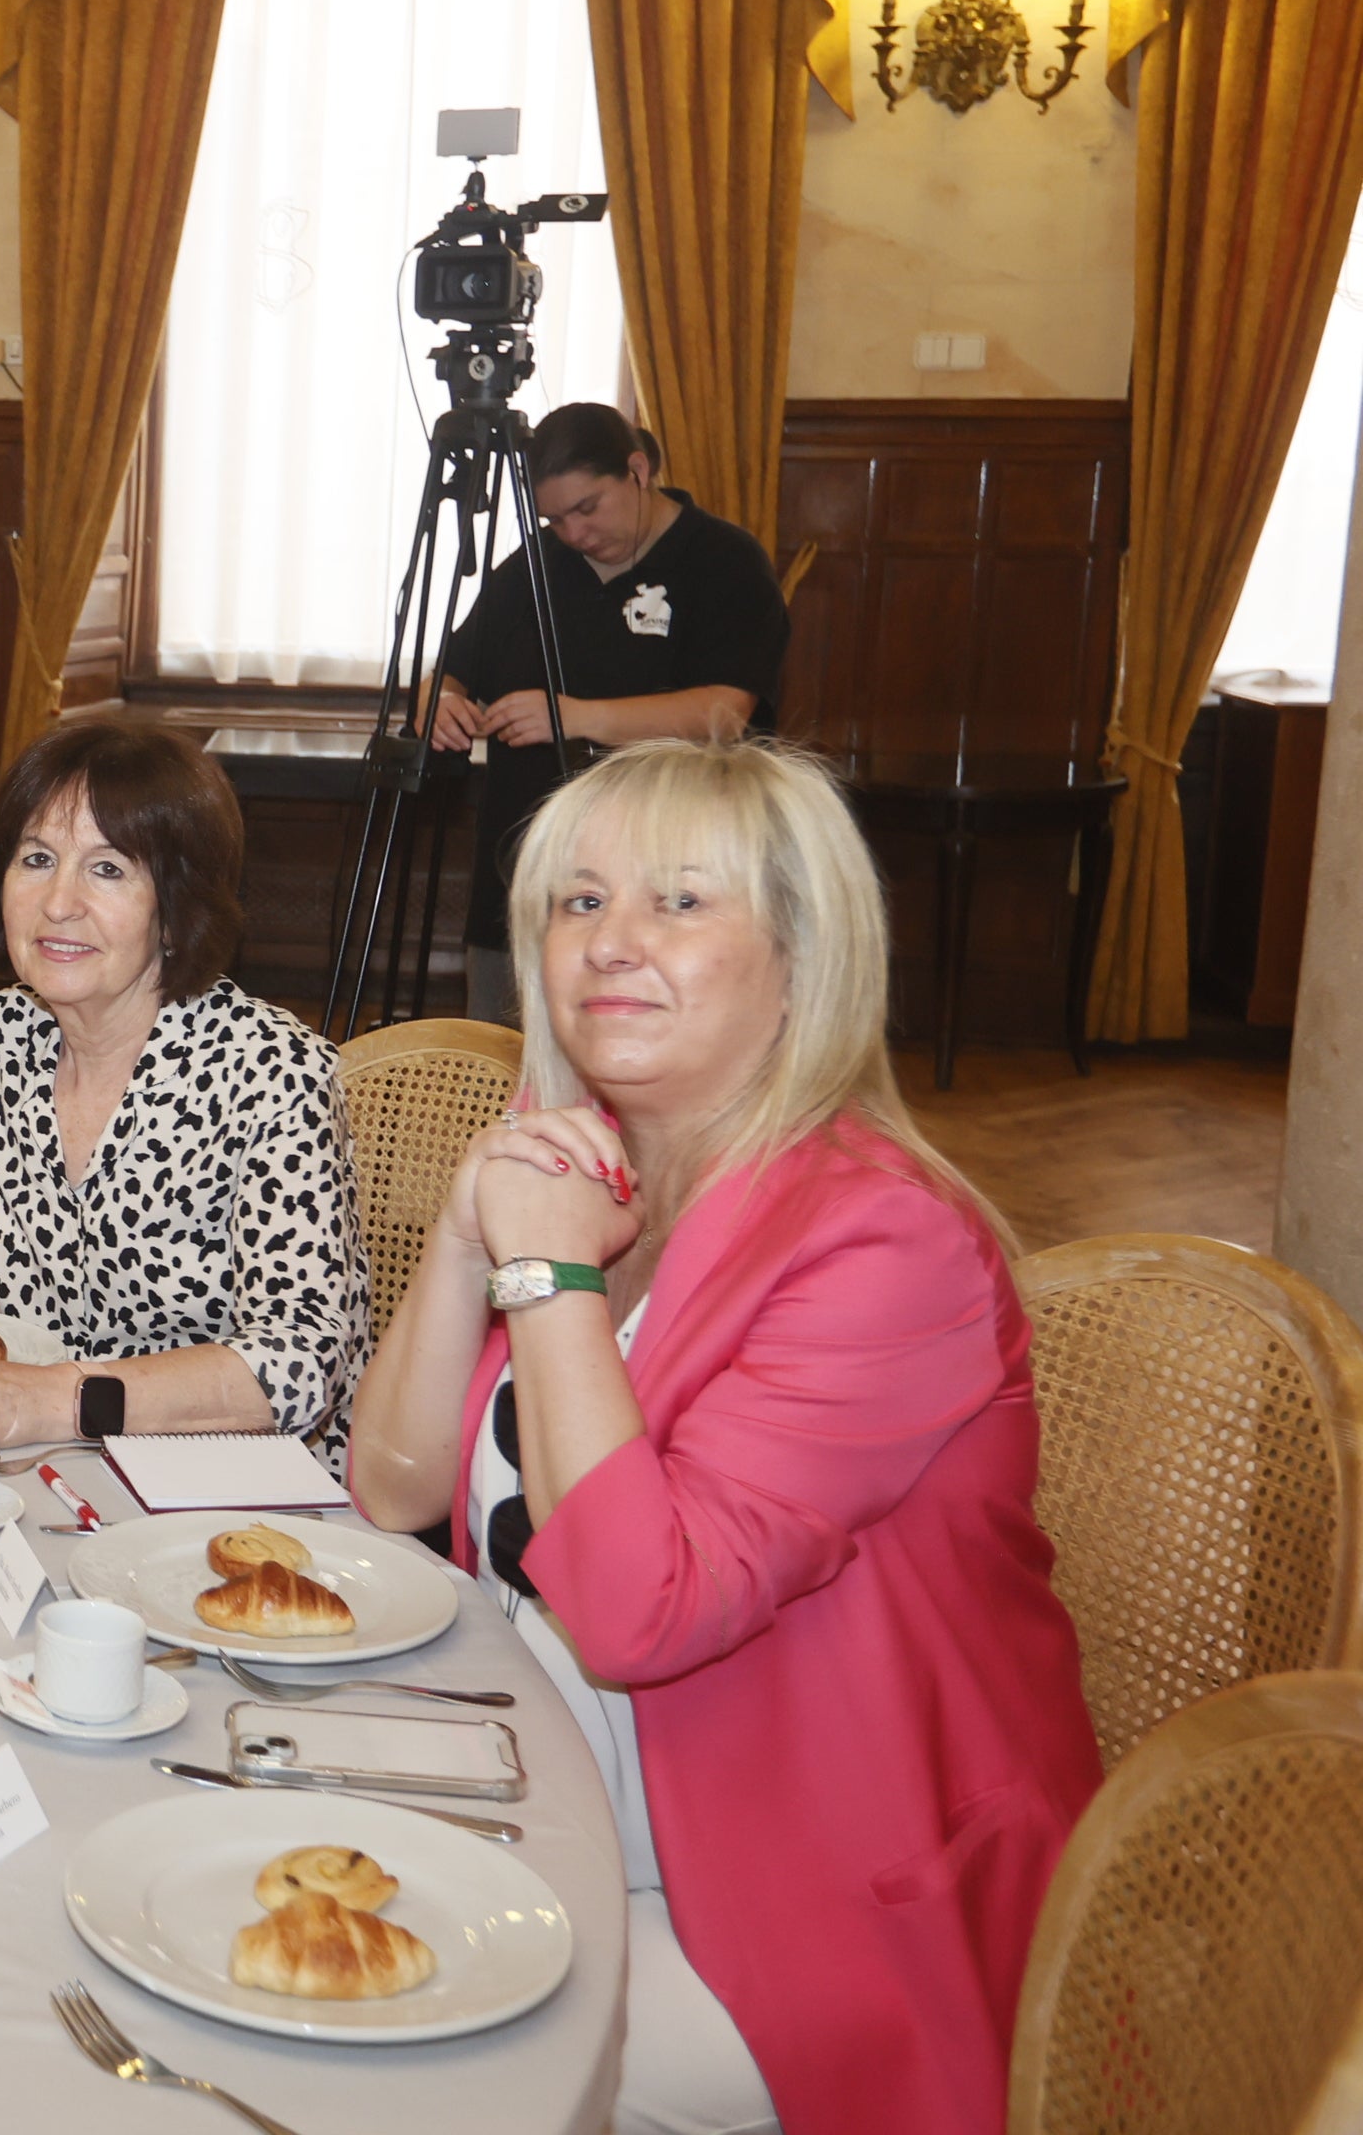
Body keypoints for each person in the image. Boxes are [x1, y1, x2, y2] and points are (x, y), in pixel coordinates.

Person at [346, 739, 1097, 2135]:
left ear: (805, 961)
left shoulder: (885, 1239)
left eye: (681, 903)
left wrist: (552, 1282)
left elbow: (639, 1616)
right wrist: (465, 1238)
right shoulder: (593, 1173)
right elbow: (389, 1491)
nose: (611, 944)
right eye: (576, 904)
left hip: (787, 1908)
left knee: (360, 2061)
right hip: (568, 1810)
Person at [0, 710, 368, 1450]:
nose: (59, 902)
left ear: (178, 909)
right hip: (59, 1471)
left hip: (247, 1496)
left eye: (109, 869)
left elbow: (301, 1362)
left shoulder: (270, 1072)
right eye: (36, 859)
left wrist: (59, 1400)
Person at [427, 403, 788, 1024]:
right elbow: (451, 665)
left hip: (667, 872)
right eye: (554, 518)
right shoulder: (540, 563)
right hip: (527, 864)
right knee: (501, 1061)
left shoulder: (723, 560)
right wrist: (441, 701)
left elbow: (725, 714)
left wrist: (574, 716)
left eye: (587, 508)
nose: (573, 534)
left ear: (638, 470)